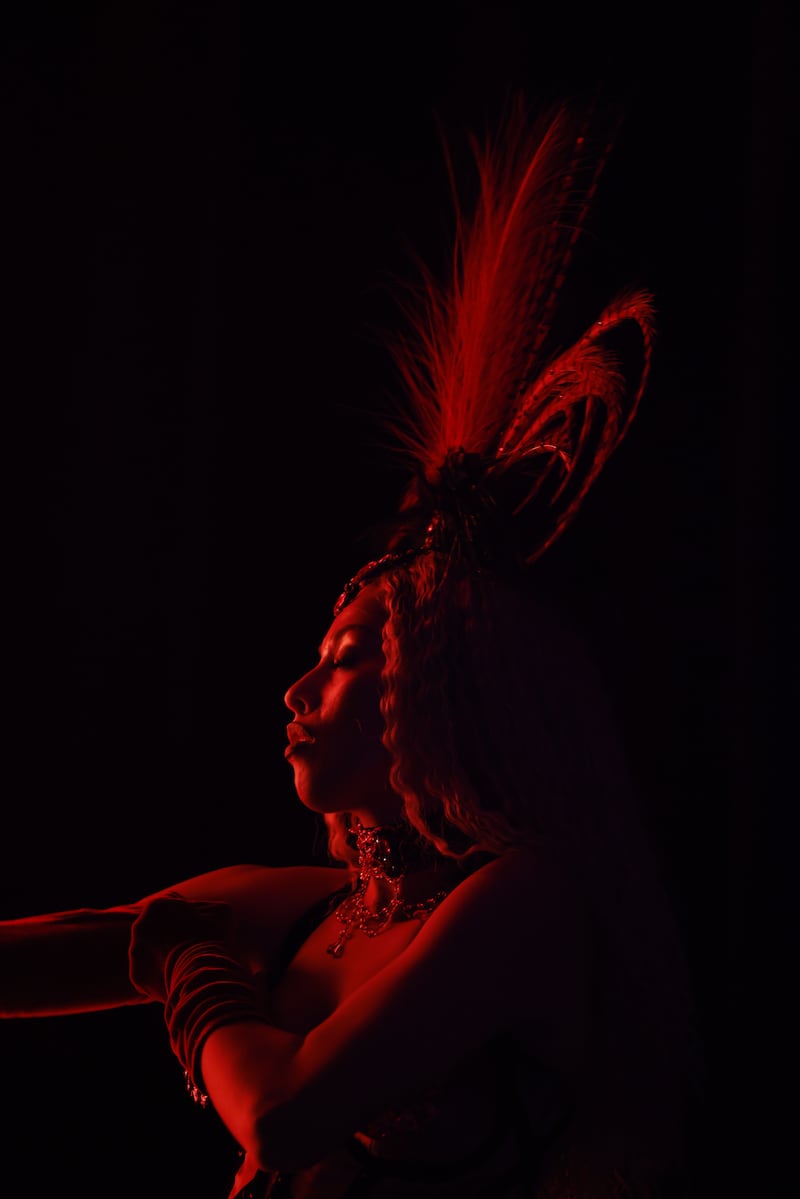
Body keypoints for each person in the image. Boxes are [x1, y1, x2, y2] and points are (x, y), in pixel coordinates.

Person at [1, 97, 701, 1198]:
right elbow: (74, 944)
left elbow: (283, 1114)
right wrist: (170, 941)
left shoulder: (521, 900)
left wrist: (190, 963)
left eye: (340, 657)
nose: (297, 685)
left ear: (446, 698)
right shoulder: (315, 908)